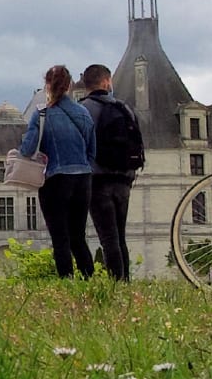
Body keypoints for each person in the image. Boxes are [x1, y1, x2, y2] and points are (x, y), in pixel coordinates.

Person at [20, 64, 97, 279]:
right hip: (83, 180)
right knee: (78, 237)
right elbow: (92, 151)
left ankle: (68, 281)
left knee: (60, 238)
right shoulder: (84, 113)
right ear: (70, 85)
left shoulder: (42, 114)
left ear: (47, 85)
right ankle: (89, 280)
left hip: (55, 180)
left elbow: (27, 150)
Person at [81, 63, 143, 281]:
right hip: (123, 180)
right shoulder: (124, 108)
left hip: (97, 181)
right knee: (120, 237)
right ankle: (125, 282)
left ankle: (116, 285)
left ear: (86, 84)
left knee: (108, 239)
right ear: (107, 82)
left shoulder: (83, 110)